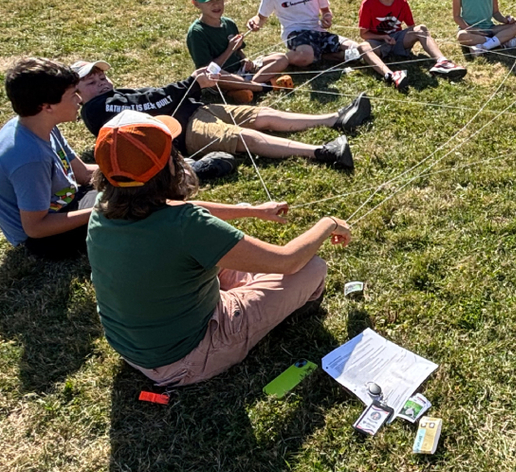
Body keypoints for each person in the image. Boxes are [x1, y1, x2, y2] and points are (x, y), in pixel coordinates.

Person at [87, 110, 351, 387]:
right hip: (186, 359)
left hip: (133, 348)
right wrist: (329, 223)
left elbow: (179, 208)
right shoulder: (187, 227)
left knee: (223, 260)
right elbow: (288, 261)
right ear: (169, 168)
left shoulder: (103, 205)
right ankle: (278, 310)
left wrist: (250, 211)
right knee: (311, 268)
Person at [74, 59, 366, 172]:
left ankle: (334, 118)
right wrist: (190, 83)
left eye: (101, 76)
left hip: (197, 110)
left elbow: (153, 95)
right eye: (91, 81)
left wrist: (192, 86)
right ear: (77, 95)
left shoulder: (114, 93)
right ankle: (322, 152)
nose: (101, 82)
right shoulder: (96, 109)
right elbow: (149, 105)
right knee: (243, 137)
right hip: (185, 131)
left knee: (262, 114)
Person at [0, 58, 97, 260]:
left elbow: (82, 174)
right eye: (73, 94)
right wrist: (100, 210)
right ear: (47, 107)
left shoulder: (39, 125)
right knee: (132, 210)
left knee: (133, 191)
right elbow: (35, 228)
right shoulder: (30, 158)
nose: (79, 99)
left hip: (68, 204)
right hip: (46, 239)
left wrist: (134, 169)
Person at [248, 0, 390, 81]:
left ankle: (325, 56)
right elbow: (261, 17)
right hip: (295, 34)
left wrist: (327, 18)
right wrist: (255, 23)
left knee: (357, 50)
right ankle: (277, 59)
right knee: (306, 57)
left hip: (318, 31)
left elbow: (326, 10)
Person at [359, 0, 466, 86]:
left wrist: (405, 38)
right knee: (362, 47)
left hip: (397, 41)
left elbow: (411, 27)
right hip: (379, 43)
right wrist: (383, 37)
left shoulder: (402, 2)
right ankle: (391, 75)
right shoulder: (368, 4)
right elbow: (364, 34)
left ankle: (442, 62)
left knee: (421, 29)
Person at [187, 0, 289, 102]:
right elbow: (207, 70)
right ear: (196, 3)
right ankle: (263, 87)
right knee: (216, 75)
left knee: (281, 58)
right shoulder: (197, 32)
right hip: (220, 77)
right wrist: (230, 49)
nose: (216, 5)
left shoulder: (229, 23)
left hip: (241, 71)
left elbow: (239, 51)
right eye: (209, 1)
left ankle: (246, 87)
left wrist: (245, 59)